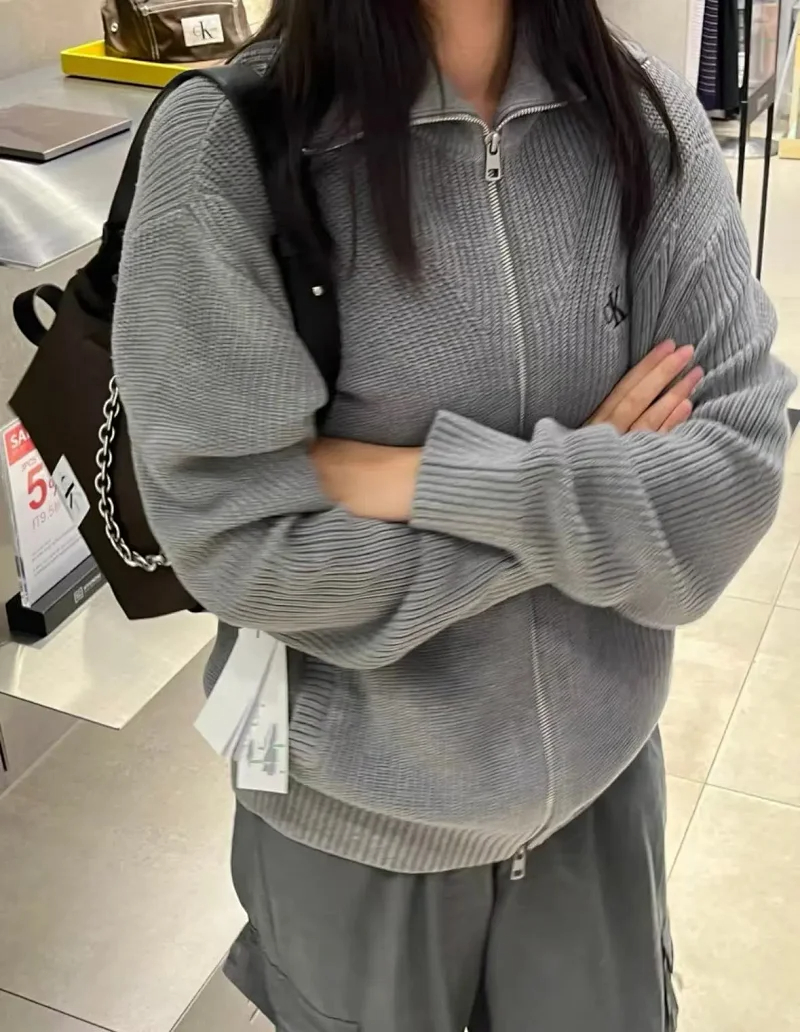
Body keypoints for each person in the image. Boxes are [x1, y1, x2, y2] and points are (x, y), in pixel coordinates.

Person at [113, 0, 794, 1029]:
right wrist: (593, 474)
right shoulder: (231, 143)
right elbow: (244, 546)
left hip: (598, 802)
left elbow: (727, 483)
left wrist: (422, 478)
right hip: (357, 832)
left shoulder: (644, 118)